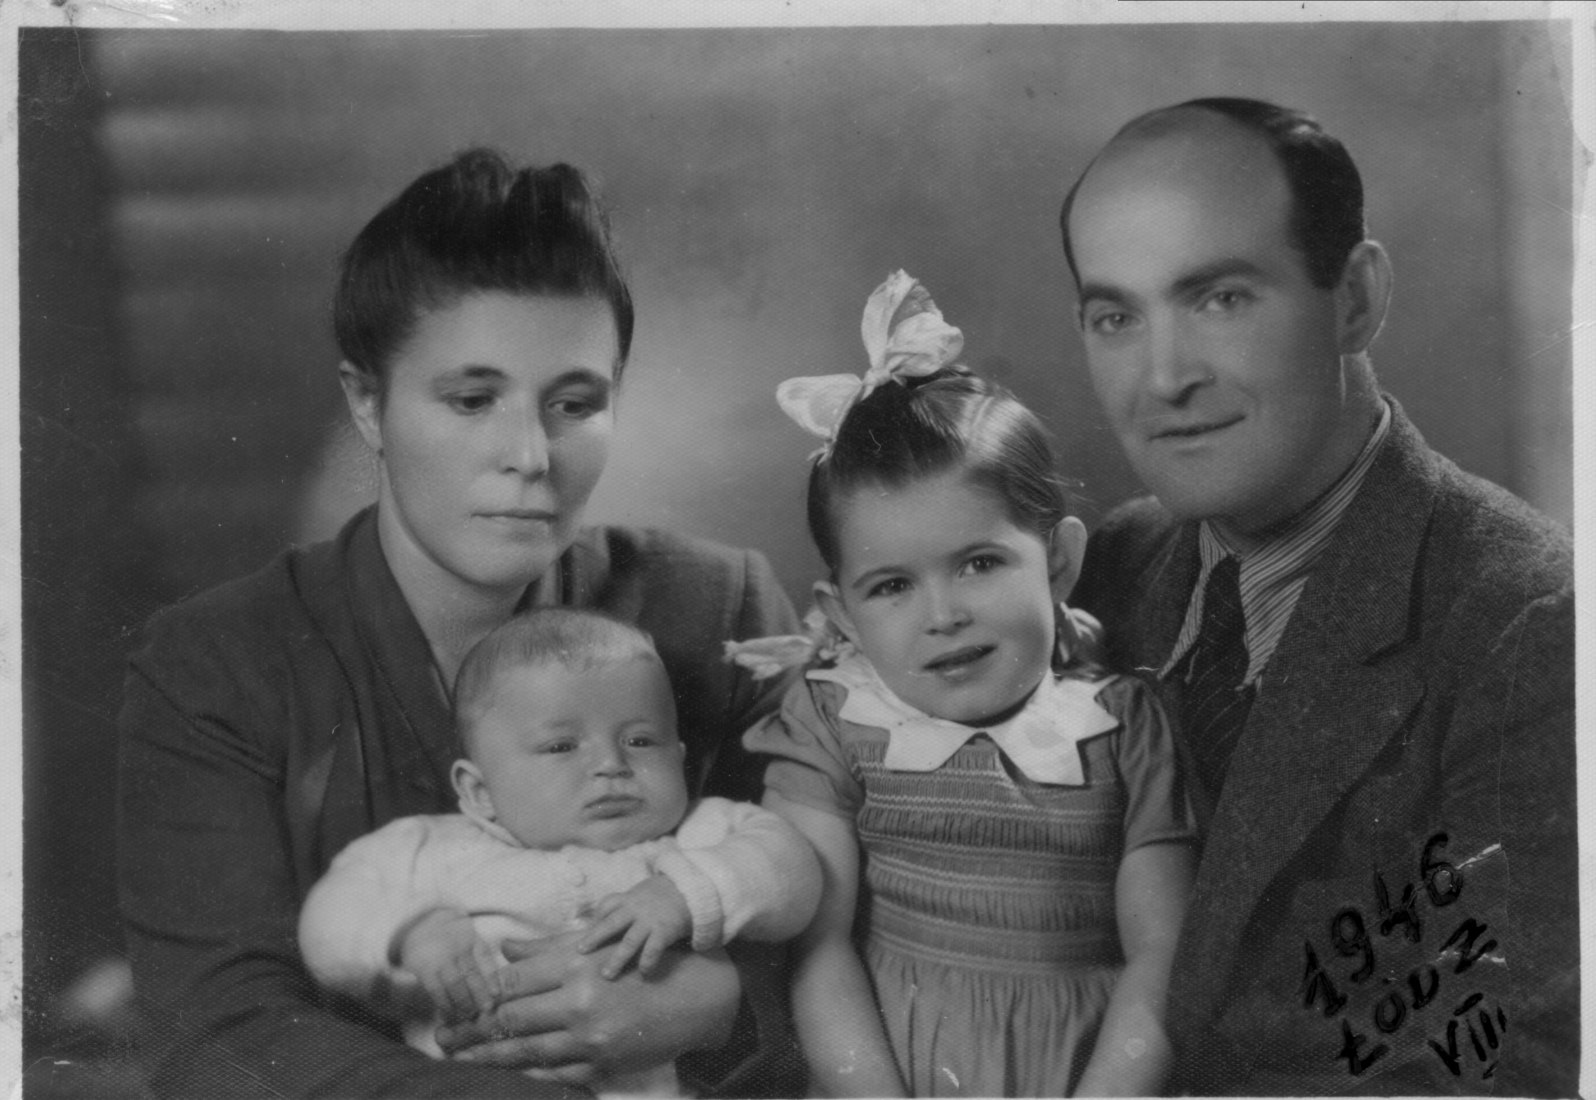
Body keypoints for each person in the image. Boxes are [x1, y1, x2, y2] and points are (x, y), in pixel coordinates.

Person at [116, 148, 804, 1098]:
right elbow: (219, 1034)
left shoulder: (715, 607)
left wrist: (723, 1005)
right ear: (368, 403)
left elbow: (854, 931)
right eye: (473, 399)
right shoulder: (214, 665)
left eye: (574, 403)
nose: (529, 455)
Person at [1061, 97, 1577, 1095]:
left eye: (1221, 298)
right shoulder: (1113, 566)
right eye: (1116, 316)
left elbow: (1507, 1069)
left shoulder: (1526, 619)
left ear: (1356, 297)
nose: (1162, 378)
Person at [734, 272, 1198, 1097]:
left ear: (1057, 561)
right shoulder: (833, 720)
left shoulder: (1126, 726)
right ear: (840, 616)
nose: (942, 615)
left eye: (980, 564)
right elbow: (819, 945)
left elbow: (1162, 956)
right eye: (891, 587)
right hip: (883, 1074)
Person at [298, 609, 822, 1098]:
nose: (610, 765)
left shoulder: (699, 834)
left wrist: (686, 892)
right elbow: (329, 917)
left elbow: (791, 869)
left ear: (679, 758)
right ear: (479, 790)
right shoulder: (432, 848)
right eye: (561, 746)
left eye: (641, 741)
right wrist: (410, 932)